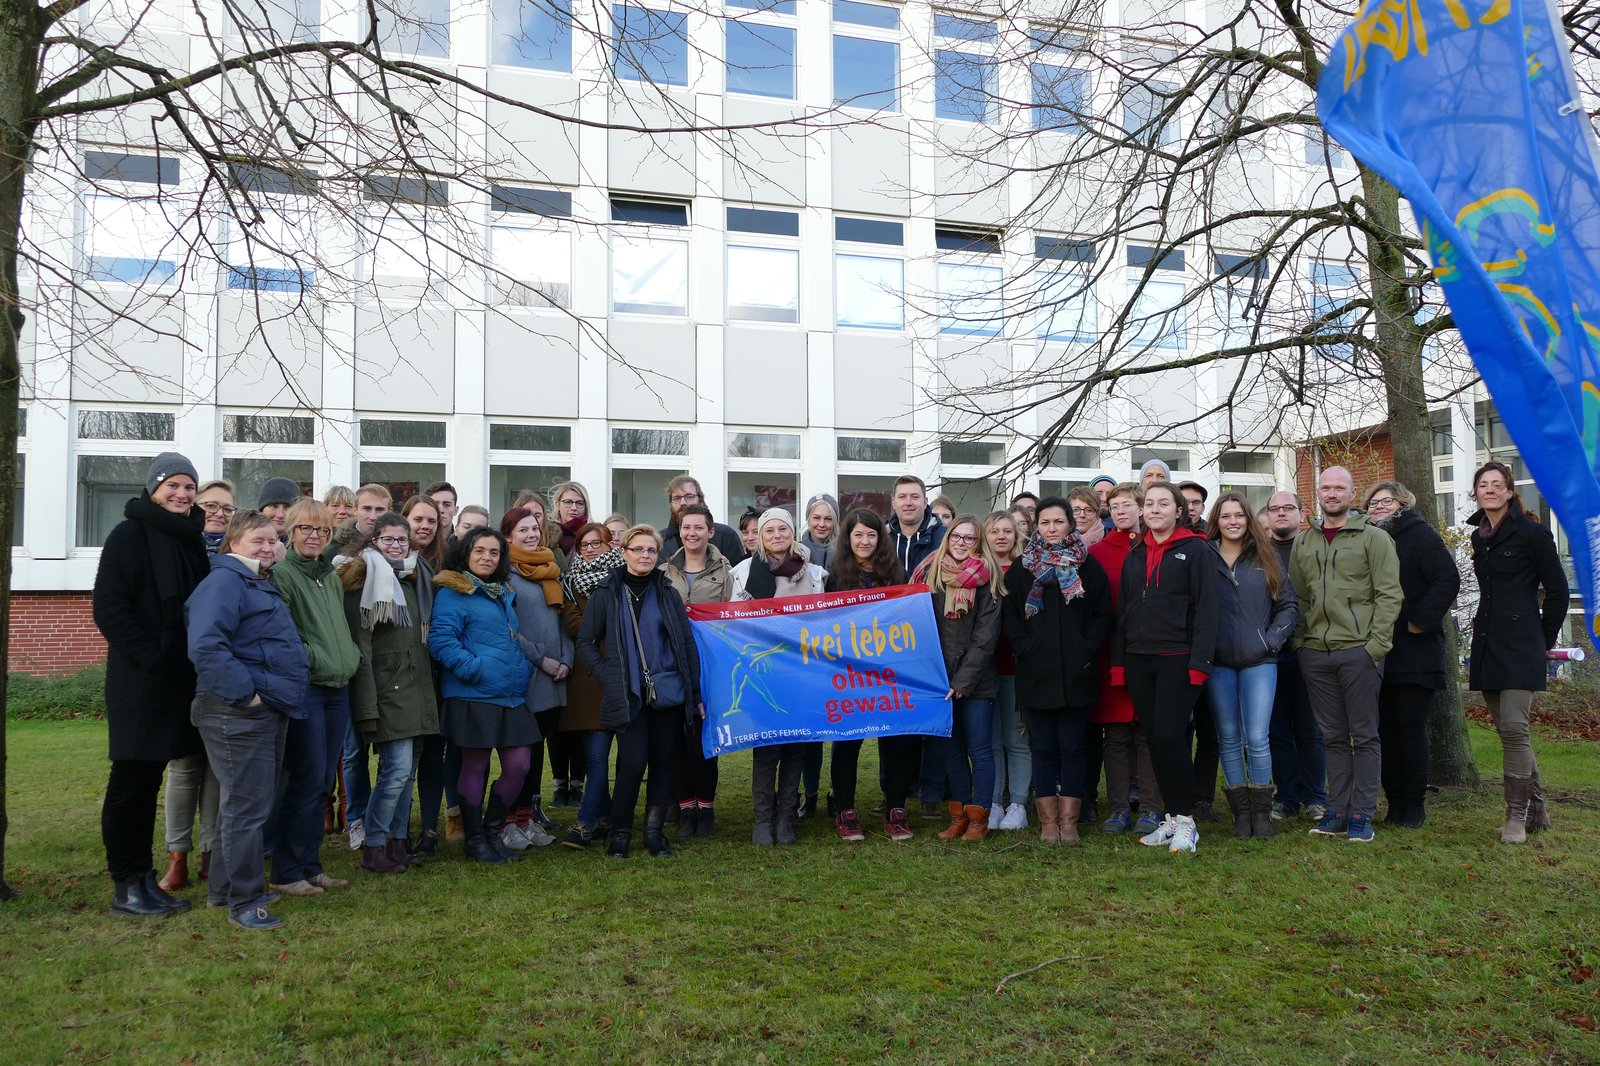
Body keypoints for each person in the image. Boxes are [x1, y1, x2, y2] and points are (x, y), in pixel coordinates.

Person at [93, 452, 211, 919]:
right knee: (131, 782)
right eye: (173, 486)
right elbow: (110, 607)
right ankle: (127, 884)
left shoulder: (190, 541)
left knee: (151, 780)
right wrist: (151, 657)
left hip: (180, 679)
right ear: (153, 487)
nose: (182, 495)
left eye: (189, 487)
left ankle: (145, 878)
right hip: (142, 681)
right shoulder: (129, 535)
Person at [186, 509, 310, 930]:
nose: (268, 546)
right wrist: (248, 695)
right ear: (233, 543)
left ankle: (224, 892)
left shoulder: (256, 581)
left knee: (239, 807)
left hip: (266, 709)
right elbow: (206, 645)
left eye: (274, 540)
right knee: (247, 810)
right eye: (257, 540)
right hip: (237, 712)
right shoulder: (224, 580)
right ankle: (246, 902)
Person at [1290, 466, 1402, 844]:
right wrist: (1300, 644)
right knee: (1332, 736)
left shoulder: (1374, 539)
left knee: (1365, 736)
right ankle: (1336, 810)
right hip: (1316, 654)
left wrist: (1375, 647)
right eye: (1326, 487)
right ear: (1317, 493)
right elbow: (1298, 597)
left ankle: (1361, 814)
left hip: (1359, 651)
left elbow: (1390, 595)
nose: (1332, 493)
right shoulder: (1305, 542)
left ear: (1352, 493)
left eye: (1339, 487)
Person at [577, 524, 704, 859]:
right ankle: (620, 833)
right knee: (632, 764)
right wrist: (608, 674)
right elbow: (586, 642)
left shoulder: (667, 592)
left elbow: (685, 645)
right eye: (638, 549)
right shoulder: (606, 592)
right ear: (624, 552)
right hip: (627, 692)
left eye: (651, 550)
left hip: (667, 693)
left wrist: (694, 694)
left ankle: (653, 831)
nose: (645, 555)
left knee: (663, 763)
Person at [1110, 481, 1218, 855]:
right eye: (1149, 504)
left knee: (1171, 736)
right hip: (1140, 660)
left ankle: (1187, 821)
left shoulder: (1197, 551)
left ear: (1179, 511)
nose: (1155, 509)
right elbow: (1124, 612)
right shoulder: (1135, 553)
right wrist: (1120, 664)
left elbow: (1208, 611)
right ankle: (1171, 819)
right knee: (1155, 739)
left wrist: (1200, 664)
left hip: (1179, 660)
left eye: (1163, 504)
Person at [1467, 460, 1568, 844]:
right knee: (1507, 730)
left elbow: (1557, 592)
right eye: (1483, 485)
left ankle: (1515, 818)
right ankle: (1537, 808)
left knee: (1513, 727)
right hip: (1488, 641)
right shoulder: (1479, 535)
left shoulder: (1533, 534)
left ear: (1510, 491)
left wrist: (1541, 641)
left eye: (1497, 484)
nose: (1489, 490)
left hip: (1523, 643)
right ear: (1476, 493)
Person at [1003, 497, 1114, 843]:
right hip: (1037, 673)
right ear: (1038, 527)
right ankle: (1049, 823)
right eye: (1046, 523)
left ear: (1071, 524)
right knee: (1043, 747)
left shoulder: (1088, 567)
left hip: (1077, 673)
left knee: (1074, 746)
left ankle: (1070, 822)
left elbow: (1103, 615)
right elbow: (1010, 619)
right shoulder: (1023, 568)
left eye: (1059, 522)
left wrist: (1087, 647)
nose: (1052, 529)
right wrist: (1026, 648)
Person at [267, 498, 360, 895]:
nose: (315, 536)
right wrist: (315, 659)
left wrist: (346, 658)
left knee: (322, 780)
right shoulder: (283, 575)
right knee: (305, 780)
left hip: (337, 688)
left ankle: (311, 864)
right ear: (291, 530)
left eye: (323, 530)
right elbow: (283, 635)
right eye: (307, 528)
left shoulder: (327, 576)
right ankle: (287, 871)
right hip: (308, 688)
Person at [428, 526, 537, 864]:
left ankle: (492, 831)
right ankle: (475, 840)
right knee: (475, 764)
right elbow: (441, 641)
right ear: (466, 553)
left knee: (519, 765)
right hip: (472, 695)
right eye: (480, 551)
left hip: (510, 694)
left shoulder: (501, 591)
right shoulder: (453, 591)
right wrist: (475, 669)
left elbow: (510, 638)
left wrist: (523, 666)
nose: (487, 557)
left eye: (494, 552)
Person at [339, 512, 439, 873]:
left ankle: (398, 842)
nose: (396, 546)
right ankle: (375, 845)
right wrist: (366, 707)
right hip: (386, 691)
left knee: (406, 772)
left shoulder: (413, 578)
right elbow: (361, 649)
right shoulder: (363, 580)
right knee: (394, 771)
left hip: (417, 690)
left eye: (402, 540)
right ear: (372, 541)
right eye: (388, 540)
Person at [1365, 480, 1459, 829]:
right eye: (1372, 503)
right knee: (1384, 730)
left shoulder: (1420, 535)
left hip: (1414, 652)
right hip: (1377, 649)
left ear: (1403, 503)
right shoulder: (1368, 537)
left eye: (1385, 501)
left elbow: (1448, 578)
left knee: (1409, 727)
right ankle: (1395, 805)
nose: (1377, 507)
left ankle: (1414, 806)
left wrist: (1421, 620)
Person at [731, 508, 828, 844]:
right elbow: (733, 620)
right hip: (764, 669)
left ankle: (786, 817)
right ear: (760, 536)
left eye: (782, 529)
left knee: (796, 746)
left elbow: (823, 622)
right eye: (769, 530)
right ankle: (762, 819)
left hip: (800, 671)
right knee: (767, 747)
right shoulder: (743, 572)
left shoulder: (814, 573)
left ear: (792, 533)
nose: (776, 535)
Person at [1205, 492, 1297, 840]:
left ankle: (1262, 814)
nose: (1232, 521)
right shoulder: (1205, 556)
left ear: (1248, 520)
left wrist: (1270, 640)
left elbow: (1288, 606)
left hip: (1260, 660)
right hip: (1219, 662)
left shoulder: (1266, 555)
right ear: (1218, 520)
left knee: (1257, 738)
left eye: (1239, 515)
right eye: (1225, 515)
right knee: (1228, 738)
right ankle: (1241, 815)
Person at [157, 478, 232, 891]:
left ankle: (209, 853)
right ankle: (176, 855)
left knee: (217, 771)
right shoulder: (181, 547)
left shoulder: (235, 553)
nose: (219, 513)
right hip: (183, 672)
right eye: (211, 506)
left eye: (227, 508)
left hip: (222, 675)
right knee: (184, 767)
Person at [914, 513, 1004, 843]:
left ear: (979, 543)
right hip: (939, 679)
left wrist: (961, 683)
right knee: (950, 751)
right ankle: (959, 817)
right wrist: (937, 678)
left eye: (969, 539)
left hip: (977, 682)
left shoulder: (989, 581)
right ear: (948, 538)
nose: (961, 544)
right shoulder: (931, 575)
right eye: (956, 537)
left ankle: (980, 818)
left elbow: (986, 640)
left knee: (979, 750)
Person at [823, 509, 911, 840]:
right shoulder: (835, 577)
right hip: (849, 674)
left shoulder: (895, 575)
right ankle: (845, 809)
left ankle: (896, 809)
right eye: (858, 535)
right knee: (847, 742)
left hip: (890, 672)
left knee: (897, 741)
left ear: (880, 539)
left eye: (871, 535)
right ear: (848, 538)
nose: (865, 541)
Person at [1089, 482, 1163, 837]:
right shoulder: (1099, 552)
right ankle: (1118, 808)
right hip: (1110, 654)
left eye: (1127, 505)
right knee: (1116, 735)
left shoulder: (1156, 547)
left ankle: (1150, 807)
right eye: (1114, 506)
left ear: (1142, 508)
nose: (1120, 511)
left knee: (1148, 732)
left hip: (1149, 652)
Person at [500, 506, 574, 851]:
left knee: (537, 751)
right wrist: (542, 660)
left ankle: (527, 817)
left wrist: (566, 661)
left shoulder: (550, 571)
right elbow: (509, 630)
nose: (531, 535)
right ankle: (507, 820)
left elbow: (563, 621)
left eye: (534, 529)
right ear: (508, 537)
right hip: (527, 675)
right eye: (523, 531)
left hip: (555, 675)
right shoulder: (506, 577)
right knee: (520, 754)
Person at [662, 504, 734, 837]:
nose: (692, 533)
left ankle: (706, 809)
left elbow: (734, 619)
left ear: (710, 532)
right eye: (686, 527)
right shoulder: (663, 571)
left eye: (699, 528)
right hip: (672, 664)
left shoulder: (725, 572)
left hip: (710, 666)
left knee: (703, 740)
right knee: (676, 739)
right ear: (679, 531)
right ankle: (685, 807)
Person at [1263, 491, 1327, 823]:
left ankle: (1315, 796)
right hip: (1271, 654)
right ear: (1268, 516)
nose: (1282, 514)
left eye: (1289, 508)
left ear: (1302, 514)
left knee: (1311, 729)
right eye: (1276, 509)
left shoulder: (1314, 548)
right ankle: (1285, 797)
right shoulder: (1259, 553)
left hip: (1310, 649)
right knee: (1276, 730)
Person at [560, 523, 623, 849]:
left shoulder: (621, 579)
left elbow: (620, 623)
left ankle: (584, 823)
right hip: (583, 682)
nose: (590, 549)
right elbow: (570, 622)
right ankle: (606, 817)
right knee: (593, 755)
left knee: (598, 755)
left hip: (611, 677)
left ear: (608, 545)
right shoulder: (570, 581)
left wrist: (594, 623)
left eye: (596, 542)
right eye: (584, 544)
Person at [984, 511, 1031, 832]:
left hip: (1017, 666)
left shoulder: (1027, 569)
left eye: (1007, 531)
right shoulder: (977, 571)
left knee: (1016, 739)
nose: (1001, 536)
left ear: (1017, 535)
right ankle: (993, 802)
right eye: (994, 531)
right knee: (991, 740)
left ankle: (1018, 803)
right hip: (984, 669)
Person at [661, 475, 746, 562]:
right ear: (670, 504)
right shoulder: (659, 541)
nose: (683, 503)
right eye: (677, 498)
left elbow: (738, 573)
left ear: (701, 501)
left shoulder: (725, 536)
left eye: (689, 496)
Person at [551, 480, 592, 558]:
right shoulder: (546, 533)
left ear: (586, 507)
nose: (574, 508)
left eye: (579, 503)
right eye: (568, 502)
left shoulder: (594, 534)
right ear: (557, 504)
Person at [799, 493, 840, 570]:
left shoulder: (845, 553)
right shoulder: (796, 553)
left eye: (828, 519)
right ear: (808, 520)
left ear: (835, 522)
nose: (822, 524)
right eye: (816, 518)